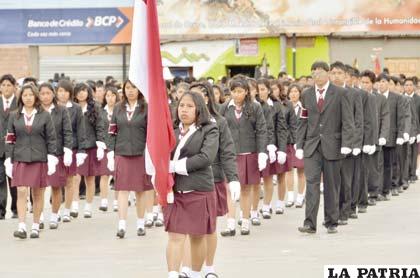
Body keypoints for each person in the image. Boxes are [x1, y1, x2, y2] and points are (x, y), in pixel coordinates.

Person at [179, 82, 239, 278]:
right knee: (189, 227)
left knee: (208, 226)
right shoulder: (180, 123)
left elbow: (227, 151)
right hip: (186, 180)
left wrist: (233, 178)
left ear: (207, 99)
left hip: (212, 179)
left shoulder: (218, 122)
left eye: (201, 96)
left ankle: (209, 267)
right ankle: (187, 267)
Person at [164, 91, 219, 278]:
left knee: (197, 236)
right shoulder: (170, 128)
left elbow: (206, 157)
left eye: (189, 106)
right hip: (175, 191)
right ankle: (172, 274)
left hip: (198, 189)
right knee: (175, 235)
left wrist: (176, 166)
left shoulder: (209, 128)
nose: (184, 110)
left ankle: (196, 274)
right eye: (181, 105)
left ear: (198, 109)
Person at [296, 61, 353, 234]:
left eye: (319, 72)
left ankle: (331, 221)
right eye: (313, 72)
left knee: (331, 185)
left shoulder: (340, 93)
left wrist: (347, 144)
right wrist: (299, 145)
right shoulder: (306, 94)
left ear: (327, 73)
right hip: (312, 146)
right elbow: (303, 121)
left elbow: (348, 120)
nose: (316, 75)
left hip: (333, 145)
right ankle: (309, 223)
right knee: (312, 183)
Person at [5, 84, 58, 239]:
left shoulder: (44, 115)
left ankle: (35, 226)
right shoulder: (14, 116)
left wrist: (52, 157)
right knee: (21, 191)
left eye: (30, 95)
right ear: (21, 97)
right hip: (20, 158)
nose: (27, 98)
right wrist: (9, 158)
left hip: (39, 158)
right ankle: (22, 226)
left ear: (36, 97)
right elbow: (10, 139)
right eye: (24, 95)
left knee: (37, 193)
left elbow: (51, 138)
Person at [218, 76, 268, 235]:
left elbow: (261, 130)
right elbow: (218, 131)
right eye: (233, 91)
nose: (236, 94)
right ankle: (230, 224)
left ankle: (245, 221)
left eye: (240, 91)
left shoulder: (255, 107)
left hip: (249, 152)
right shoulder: (224, 108)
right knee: (230, 189)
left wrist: (262, 153)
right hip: (230, 154)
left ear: (246, 91)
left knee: (246, 189)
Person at [107, 80, 154, 238]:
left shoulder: (146, 108)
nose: (131, 91)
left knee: (140, 190)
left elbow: (151, 133)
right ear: (123, 90)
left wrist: (150, 154)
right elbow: (112, 131)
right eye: (127, 88)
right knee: (122, 190)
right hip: (122, 153)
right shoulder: (118, 108)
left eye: (134, 87)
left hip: (140, 154)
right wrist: (110, 153)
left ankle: (141, 224)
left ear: (139, 89)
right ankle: (122, 225)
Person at [39, 83, 73, 229]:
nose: (45, 96)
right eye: (42, 93)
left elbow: (67, 132)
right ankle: (38, 216)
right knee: (38, 188)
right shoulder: (35, 111)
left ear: (53, 94)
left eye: (48, 93)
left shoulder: (61, 111)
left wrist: (67, 150)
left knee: (56, 186)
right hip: (38, 154)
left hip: (57, 153)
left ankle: (54, 215)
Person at [73, 83, 107, 218]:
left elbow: (100, 127)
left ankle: (88, 206)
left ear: (88, 92)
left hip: (91, 146)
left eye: (83, 90)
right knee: (75, 178)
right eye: (78, 91)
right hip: (76, 147)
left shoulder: (95, 108)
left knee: (90, 178)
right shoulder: (72, 109)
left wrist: (100, 144)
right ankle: (74, 204)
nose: (81, 93)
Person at [256, 78, 288, 220]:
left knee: (269, 176)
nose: (260, 92)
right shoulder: (252, 105)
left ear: (268, 90)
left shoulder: (276, 105)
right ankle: (252, 209)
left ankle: (267, 205)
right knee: (255, 181)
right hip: (255, 146)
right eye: (258, 89)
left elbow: (281, 129)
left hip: (271, 146)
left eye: (263, 89)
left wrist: (280, 149)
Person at [56, 80, 87, 222]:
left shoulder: (75, 108)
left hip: (72, 148)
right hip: (55, 149)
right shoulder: (52, 108)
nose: (62, 94)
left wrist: (81, 149)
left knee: (70, 180)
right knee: (55, 182)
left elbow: (81, 130)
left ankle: (67, 210)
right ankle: (55, 209)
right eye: (60, 91)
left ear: (70, 93)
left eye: (65, 91)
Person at [0, 74, 18, 220]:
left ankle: (17, 209)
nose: (6, 88)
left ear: (14, 87)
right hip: (0, 149)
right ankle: (1, 210)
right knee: (0, 180)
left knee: (15, 179)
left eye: (8, 85)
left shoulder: (19, 104)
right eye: (3, 85)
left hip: (15, 148)